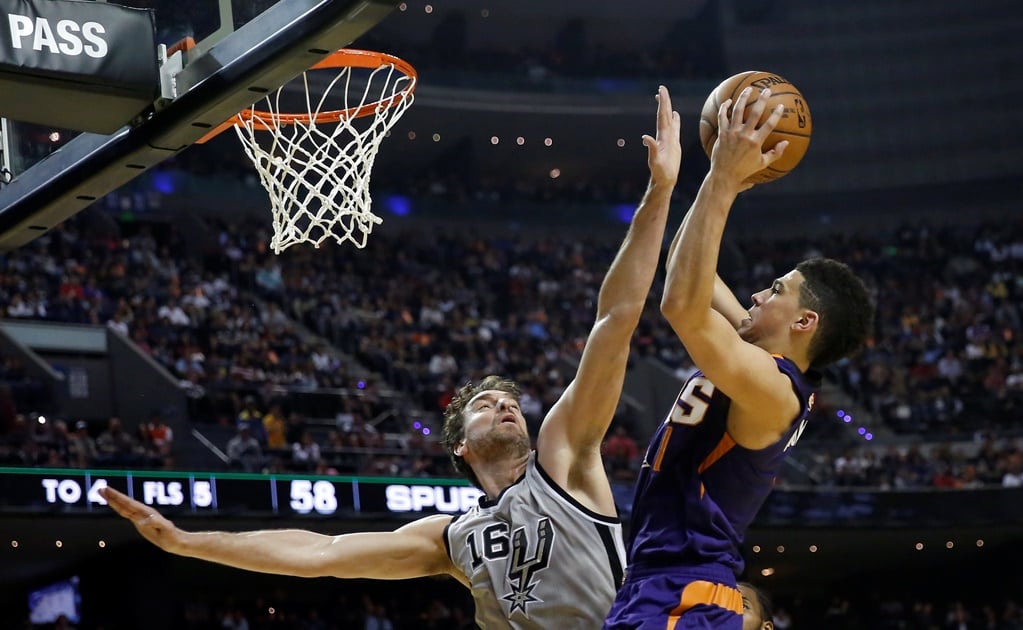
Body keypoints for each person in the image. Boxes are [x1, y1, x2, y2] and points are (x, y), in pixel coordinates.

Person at [97, 85, 684, 630]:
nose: (506, 405)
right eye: (486, 404)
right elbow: (319, 554)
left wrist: (659, 193)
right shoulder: (451, 537)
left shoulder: (564, 457)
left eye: (510, 402)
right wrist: (187, 542)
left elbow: (615, 321)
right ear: (459, 445)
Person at [603, 87, 874, 628]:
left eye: (776, 289)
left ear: (805, 323)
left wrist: (724, 181)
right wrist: (701, 181)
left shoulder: (774, 390)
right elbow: (686, 280)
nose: (757, 295)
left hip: (687, 591)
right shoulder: (753, 355)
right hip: (658, 582)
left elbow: (681, 303)